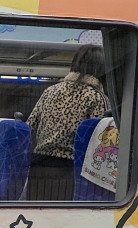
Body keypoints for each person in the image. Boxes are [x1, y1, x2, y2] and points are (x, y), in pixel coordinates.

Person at [25, 44, 109, 200]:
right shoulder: (96, 98)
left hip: (38, 169)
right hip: (71, 172)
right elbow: (99, 141)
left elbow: (28, 128)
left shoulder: (50, 91)